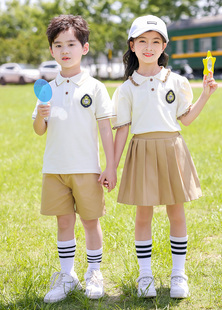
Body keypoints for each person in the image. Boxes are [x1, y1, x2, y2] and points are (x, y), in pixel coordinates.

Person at [112, 15, 218, 299]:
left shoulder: (178, 81)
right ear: (132, 45)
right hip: (142, 149)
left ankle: (178, 274)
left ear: (164, 46)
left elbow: (187, 119)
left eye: (155, 41)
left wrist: (205, 95)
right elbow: (122, 130)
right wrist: (111, 166)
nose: (149, 47)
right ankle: (144, 275)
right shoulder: (125, 89)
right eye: (143, 41)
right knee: (143, 214)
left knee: (176, 212)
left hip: (172, 148)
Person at [32, 14, 116, 303]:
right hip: (55, 169)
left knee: (91, 222)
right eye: (58, 45)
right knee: (64, 222)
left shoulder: (95, 88)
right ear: (52, 50)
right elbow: (39, 130)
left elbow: (106, 128)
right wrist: (41, 116)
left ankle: (94, 272)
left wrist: (110, 165)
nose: (65, 50)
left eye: (71, 43)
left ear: (84, 47)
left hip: (87, 169)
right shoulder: (46, 90)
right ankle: (67, 276)